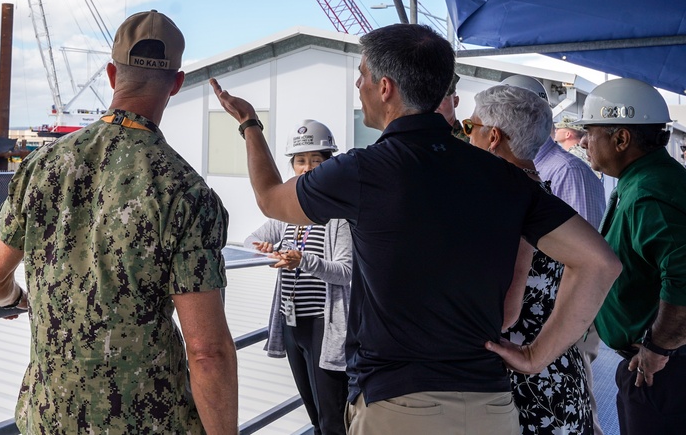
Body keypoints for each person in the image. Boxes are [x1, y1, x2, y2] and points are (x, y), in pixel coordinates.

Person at [210, 22, 621, 435]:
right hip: (490, 407)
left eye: (363, 77)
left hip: (399, 406)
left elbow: (269, 198)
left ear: (385, 87)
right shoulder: (505, 177)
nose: (359, 86)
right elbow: (599, 263)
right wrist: (536, 355)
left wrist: (250, 125)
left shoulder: (362, 170)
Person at [0, 10, 237, 435]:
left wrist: (15, 301)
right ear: (176, 83)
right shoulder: (185, 191)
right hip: (147, 421)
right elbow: (207, 351)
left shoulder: (42, 164)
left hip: (49, 418)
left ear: (112, 73)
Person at [466, 84, 593, 434]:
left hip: (528, 385)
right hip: (556, 369)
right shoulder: (542, 196)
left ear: (492, 137)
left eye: (468, 127)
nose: (465, 138)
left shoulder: (514, 202)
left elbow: (506, 312)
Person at [576, 77, 686, 434]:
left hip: (660, 372)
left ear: (621, 138)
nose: (583, 141)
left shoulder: (649, 192)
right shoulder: (646, 180)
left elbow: (684, 275)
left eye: (590, 132)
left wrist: (658, 348)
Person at [500, 76, 608, 435]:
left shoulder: (566, 173)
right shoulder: (527, 181)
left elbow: (586, 263)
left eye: (474, 126)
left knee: (575, 408)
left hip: (555, 331)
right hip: (537, 342)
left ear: (500, 130)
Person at [245, 120, 352, 435]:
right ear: (291, 165)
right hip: (293, 324)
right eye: (300, 161)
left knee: (333, 418)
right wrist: (271, 247)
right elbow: (252, 240)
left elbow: (346, 271)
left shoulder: (338, 215)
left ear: (328, 164)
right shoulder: (286, 214)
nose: (306, 168)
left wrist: (303, 260)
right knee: (314, 415)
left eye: (316, 161)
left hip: (324, 325)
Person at [435, 72, 467, 141]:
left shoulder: (467, 141)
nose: (435, 103)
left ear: (455, 102)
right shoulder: (420, 134)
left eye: (442, 98)